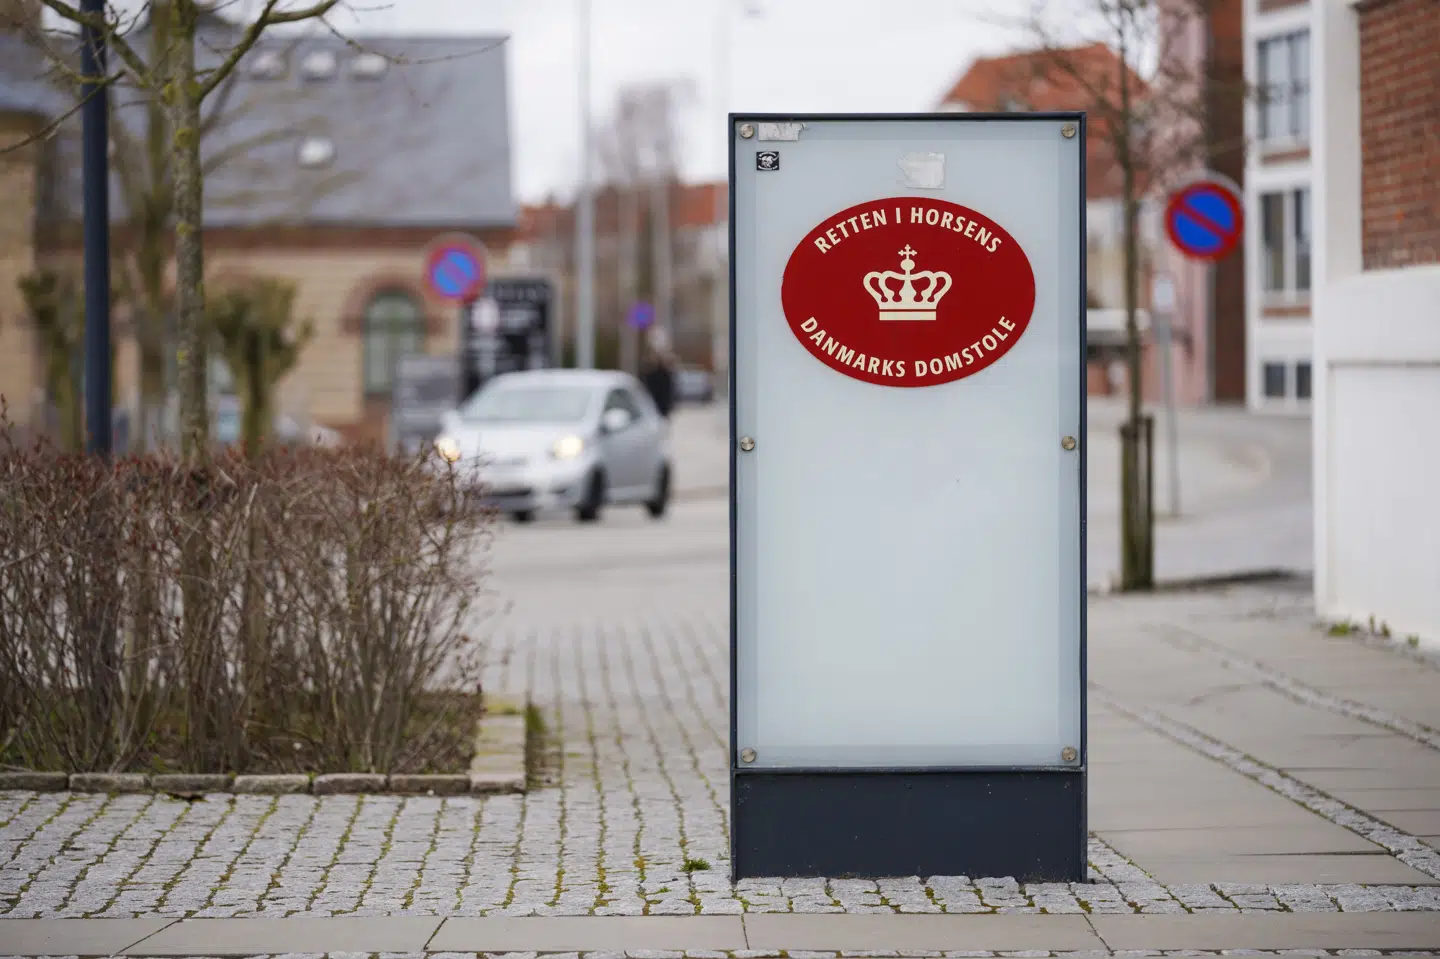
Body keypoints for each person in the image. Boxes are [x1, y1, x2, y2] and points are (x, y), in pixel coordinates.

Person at [641, 348, 677, 420]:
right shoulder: (654, 375)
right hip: (655, 404)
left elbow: (669, 391)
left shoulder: (663, 375)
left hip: (658, 404)